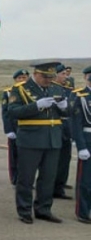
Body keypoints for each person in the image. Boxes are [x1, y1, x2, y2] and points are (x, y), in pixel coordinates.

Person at [7, 62, 69, 224]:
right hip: (31, 140)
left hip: (52, 139)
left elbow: (66, 112)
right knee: (26, 178)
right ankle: (24, 210)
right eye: (45, 77)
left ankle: (44, 209)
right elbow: (13, 112)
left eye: (51, 77)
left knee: (48, 178)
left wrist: (65, 107)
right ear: (36, 74)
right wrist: (36, 106)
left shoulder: (56, 88)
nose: (48, 80)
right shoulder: (20, 88)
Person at [69, 66, 91, 223]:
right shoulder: (79, 96)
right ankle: (83, 212)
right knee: (86, 180)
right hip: (88, 139)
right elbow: (75, 123)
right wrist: (81, 146)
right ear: (85, 77)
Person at [3, 70, 29, 185]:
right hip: (14, 127)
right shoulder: (9, 92)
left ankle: (25, 178)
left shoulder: (31, 92)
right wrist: (8, 130)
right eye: (20, 78)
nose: (23, 80)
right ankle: (15, 178)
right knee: (14, 155)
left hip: (28, 128)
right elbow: (5, 112)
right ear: (15, 80)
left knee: (27, 156)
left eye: (25, 77)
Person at [53, 64, 75, 200]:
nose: (65, 77)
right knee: (53, 161)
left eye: (66, 74)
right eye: (62, 74)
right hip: (55, 128)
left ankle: (59, 187)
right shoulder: (50, 89)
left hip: (66, 129)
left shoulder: (67, 90)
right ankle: (50, 188)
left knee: (65, 160)